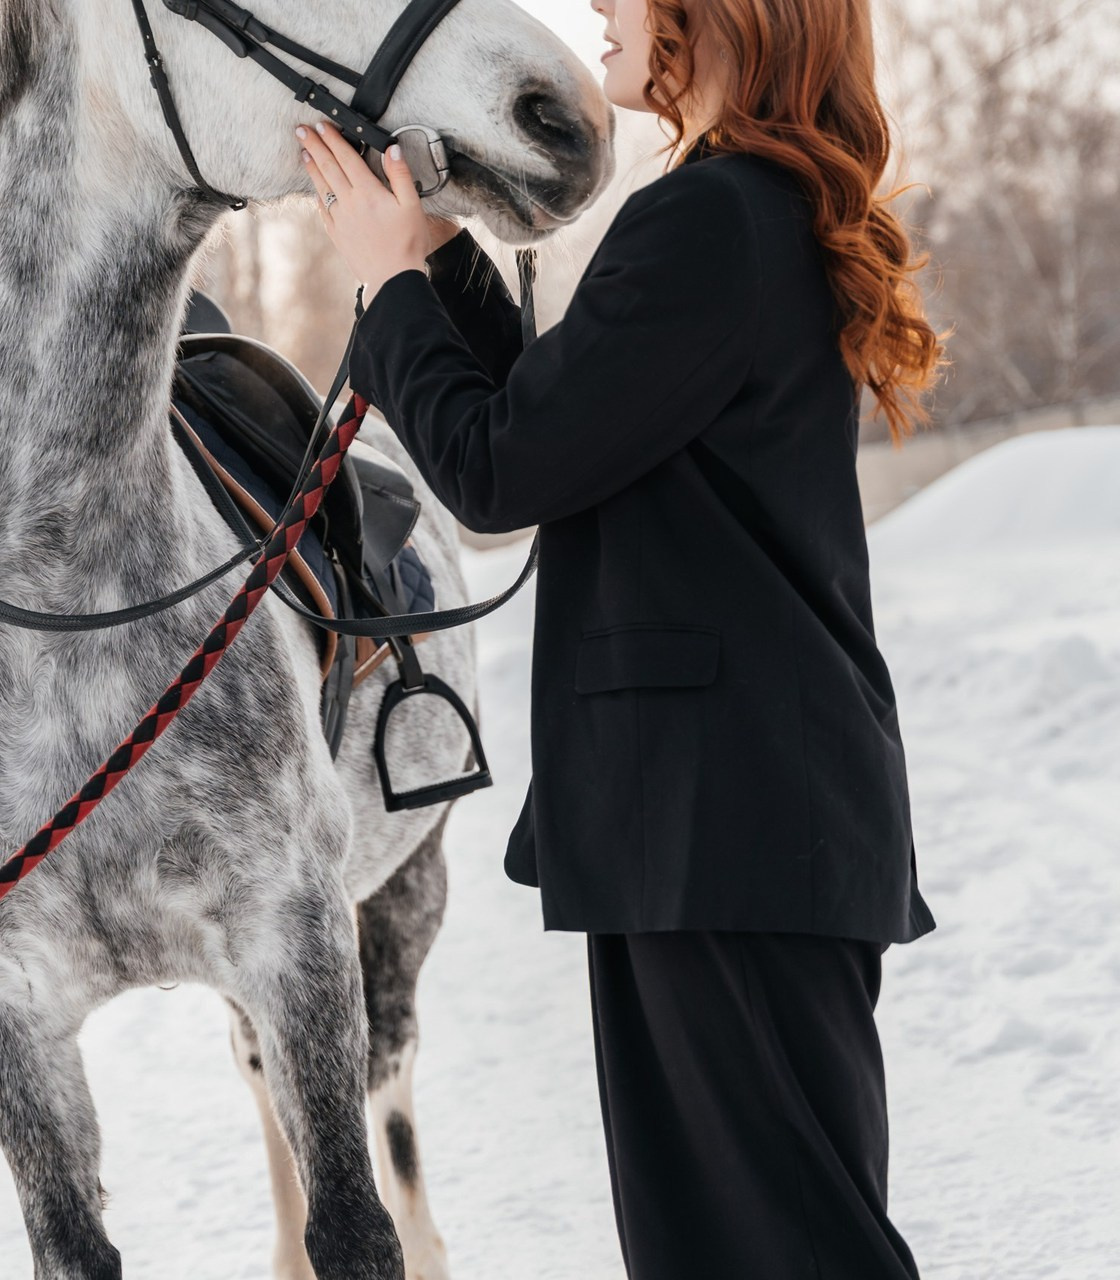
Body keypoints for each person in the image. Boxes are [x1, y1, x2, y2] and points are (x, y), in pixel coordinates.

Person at [293, 0, 943, 1273]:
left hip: (724, 829)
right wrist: (431, 256)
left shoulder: (712, 219)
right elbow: (574, 419)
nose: (599, 5)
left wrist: (385, 285)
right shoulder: (741, 211)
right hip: (730, 827)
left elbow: (499, 466)